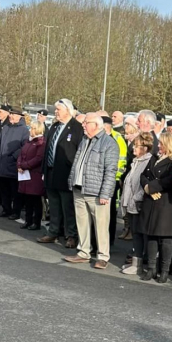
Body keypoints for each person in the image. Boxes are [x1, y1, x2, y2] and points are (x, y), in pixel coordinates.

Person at [63, 113, 120, 269]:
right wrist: (71, 182)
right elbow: (77, 162)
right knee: (82, 223)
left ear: (96, 125)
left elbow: (111, 171)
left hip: (96, 192)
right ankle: (83, 252)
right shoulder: (84, 140)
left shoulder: (109, 143)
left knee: (101, 225)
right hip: (79, 188)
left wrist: (105, 194)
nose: (83, 125)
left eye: (86, 122)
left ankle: (102, 256)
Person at [139, 131, 172, 283]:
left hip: (167, 204)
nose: (158, 146)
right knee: (151, 235)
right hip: (152, 201)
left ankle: (164, 270)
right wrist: (147, 188)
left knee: (166, 238)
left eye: (161, 143)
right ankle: (151, 268)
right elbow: (143, 175)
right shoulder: (154, 158)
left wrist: (152, 187)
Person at [39, 99, 84, 249]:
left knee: (68, 207)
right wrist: (44, 170)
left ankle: (70, 235)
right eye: (55, 109)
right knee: (54, 205)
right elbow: (47, 149)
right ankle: (53, 232)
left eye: (58, 109)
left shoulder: (77, 128)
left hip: (66, 174)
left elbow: (78, 152)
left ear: (68, 110)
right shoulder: (54, 127)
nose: (56, 112)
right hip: (51, 172)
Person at [119, 133, 154, 276]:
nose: (133, 148)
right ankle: (136, 262)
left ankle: (138, 264)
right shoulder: (136, 161)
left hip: (139, 204)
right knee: (135, 234)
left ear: (145, 148)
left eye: (137, 145)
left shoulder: (148, 161)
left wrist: (135, 199)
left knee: (139, 235)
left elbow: (143, 185)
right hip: (131, 204)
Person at [0, 107, 29, 221]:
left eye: (13, 115)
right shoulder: (5, 127)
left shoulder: (24, 130)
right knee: (4, 189)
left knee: (15, 191)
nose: (11, 116)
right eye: (10, 114)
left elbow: (25, 146)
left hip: (14, 164)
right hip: (2, 163)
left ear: (20, 116)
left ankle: (16, 211)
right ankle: (6, 209)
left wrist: (14, 156)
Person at [102, 115, 127, 246]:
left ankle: (109, 239)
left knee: (110, 213)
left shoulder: (117, 138)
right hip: (103, 180)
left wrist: (117, 177)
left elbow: (122, 160)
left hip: (113, 179)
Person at [17, 121, 46, 230]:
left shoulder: (41, 143)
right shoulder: (28, 141)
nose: (30, 130)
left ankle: (36, 222)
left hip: (34, 175)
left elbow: (38, 158)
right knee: (27, 199)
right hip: (25, 174)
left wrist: (24, 165)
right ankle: (28, 220)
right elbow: (21, 154)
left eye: (32, 128)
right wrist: (19, 164)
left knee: (35, 200)